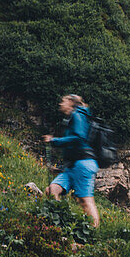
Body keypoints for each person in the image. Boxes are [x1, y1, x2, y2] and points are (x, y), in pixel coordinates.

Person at [43, 94, 100, 228]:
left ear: (70, 102)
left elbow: (79, 138)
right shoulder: (73, 118)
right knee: (51, 190)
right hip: (73, 166)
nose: (60, 104)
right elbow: (74, 146)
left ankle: (93, 231)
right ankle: (59, 225)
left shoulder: (78, 114)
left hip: (83, 164)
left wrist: (54, 140)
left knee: (85, 200)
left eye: (63, 101)